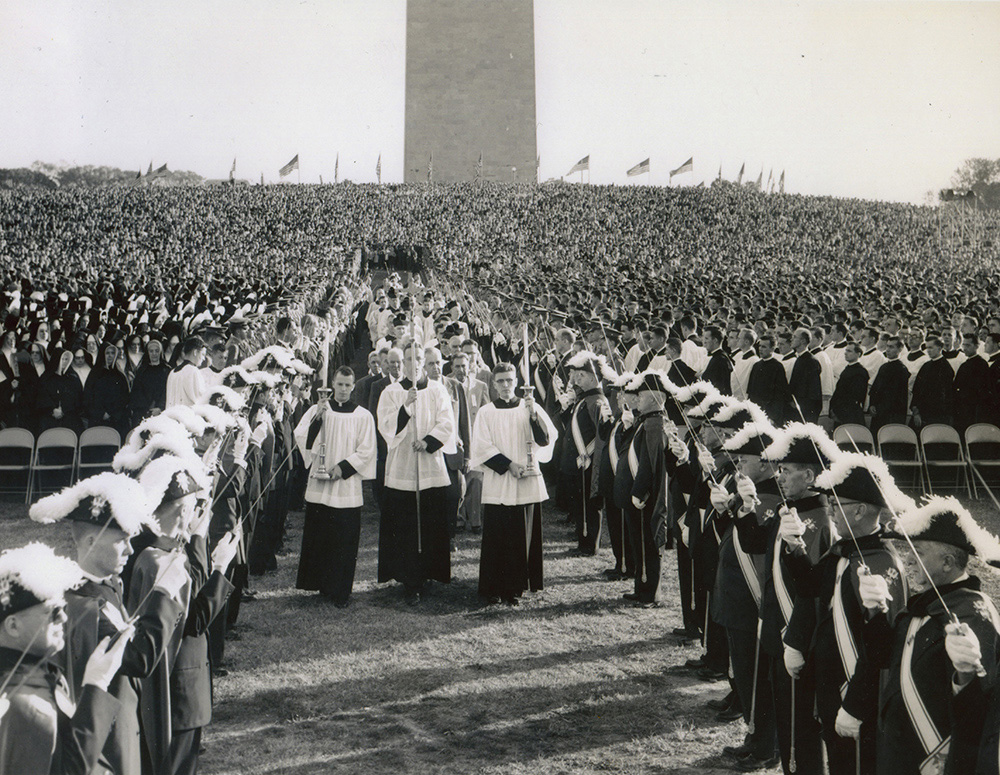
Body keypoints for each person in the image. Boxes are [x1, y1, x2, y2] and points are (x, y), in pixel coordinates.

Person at [29, 471, 190, 775]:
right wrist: (165, 592)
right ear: (90, 541)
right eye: (122, 541)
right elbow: (139, 658)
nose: (131, 549)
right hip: (104, 744)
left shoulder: (108, 585)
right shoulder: (84, 605)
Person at [785, 453, 908, 775]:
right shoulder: (844, 549)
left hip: (856, 691)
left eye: (837, 505)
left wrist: (856, 705)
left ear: (860, 510)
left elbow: (881, 648)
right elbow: (810, 586)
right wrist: (794, 546)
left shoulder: (881, 562)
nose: (832, 512)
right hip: (830, 680)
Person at [858, 496, 1000, 775]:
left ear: (947, 562)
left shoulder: (975, 614)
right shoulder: (925, 602)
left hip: (937, 759)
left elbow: (981, 713)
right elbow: (883, 657)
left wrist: (965, 675)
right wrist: (876, 611)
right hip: (900, 750)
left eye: (918, 552)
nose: (908, 560)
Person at [0, 542, 128, 775]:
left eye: (63, 608)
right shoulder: (27, 705)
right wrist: (97, 685)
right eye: (52, 611)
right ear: (13, 625)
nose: (63, 618)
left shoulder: (31, 675)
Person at [470, 362, 557, 604]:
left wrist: (533, 416)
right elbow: (481, 445)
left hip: (526, 480)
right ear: (494, 384)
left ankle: (516, 587)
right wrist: (509, 465)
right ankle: (494, 587)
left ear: (516, 382)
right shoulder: (487, 412)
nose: (506, 386)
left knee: (521, 534)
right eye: (501, 381)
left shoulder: (530, 407)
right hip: (500, 479)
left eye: (510, 380)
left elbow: (546, 439)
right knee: (499, 534)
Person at [376, 340, 455, 604]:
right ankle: (408, 578)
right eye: (408, 359)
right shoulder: (390, 392)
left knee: (430, 520)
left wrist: (428, 441)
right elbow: (386, 427)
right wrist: (406, 407)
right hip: (403, 465)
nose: (414, 363)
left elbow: (446, 422)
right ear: (401, 362)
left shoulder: (437, 390)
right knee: (406, 523)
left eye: (419, 358)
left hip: (429, 463)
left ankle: (429, 572)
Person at [294, 367, 376, 607]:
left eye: (347, 385)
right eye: (339, 385)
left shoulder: (362, 415)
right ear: (332, 384)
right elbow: (302, 439)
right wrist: (317, 420)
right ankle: (321, 584)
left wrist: (343, 468)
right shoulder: (317, 410)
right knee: (321, 535)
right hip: (320, 484)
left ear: (353, 387)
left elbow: (367, 450)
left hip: (345, 486)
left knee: (344, 538)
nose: (343, 390)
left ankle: (341, 590)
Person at [868, 336, 910, 434]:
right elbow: (875, 389)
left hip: (892, 415)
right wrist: (872, 405)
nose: (888, 350)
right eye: (887, 346)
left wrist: (879, 408)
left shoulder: (901, 370)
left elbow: (895, 396)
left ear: (899, 349)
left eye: (891, 347)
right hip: (878, 413)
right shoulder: (884, 367)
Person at [829, 342, 869, 427]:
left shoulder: (860, 372)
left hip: (850, 414)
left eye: (849, 351)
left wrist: (839, 411)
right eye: (846, 350)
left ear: (858, 354)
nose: (845, 353)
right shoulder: (848, 369)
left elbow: (855, 396)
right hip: (841, 411)